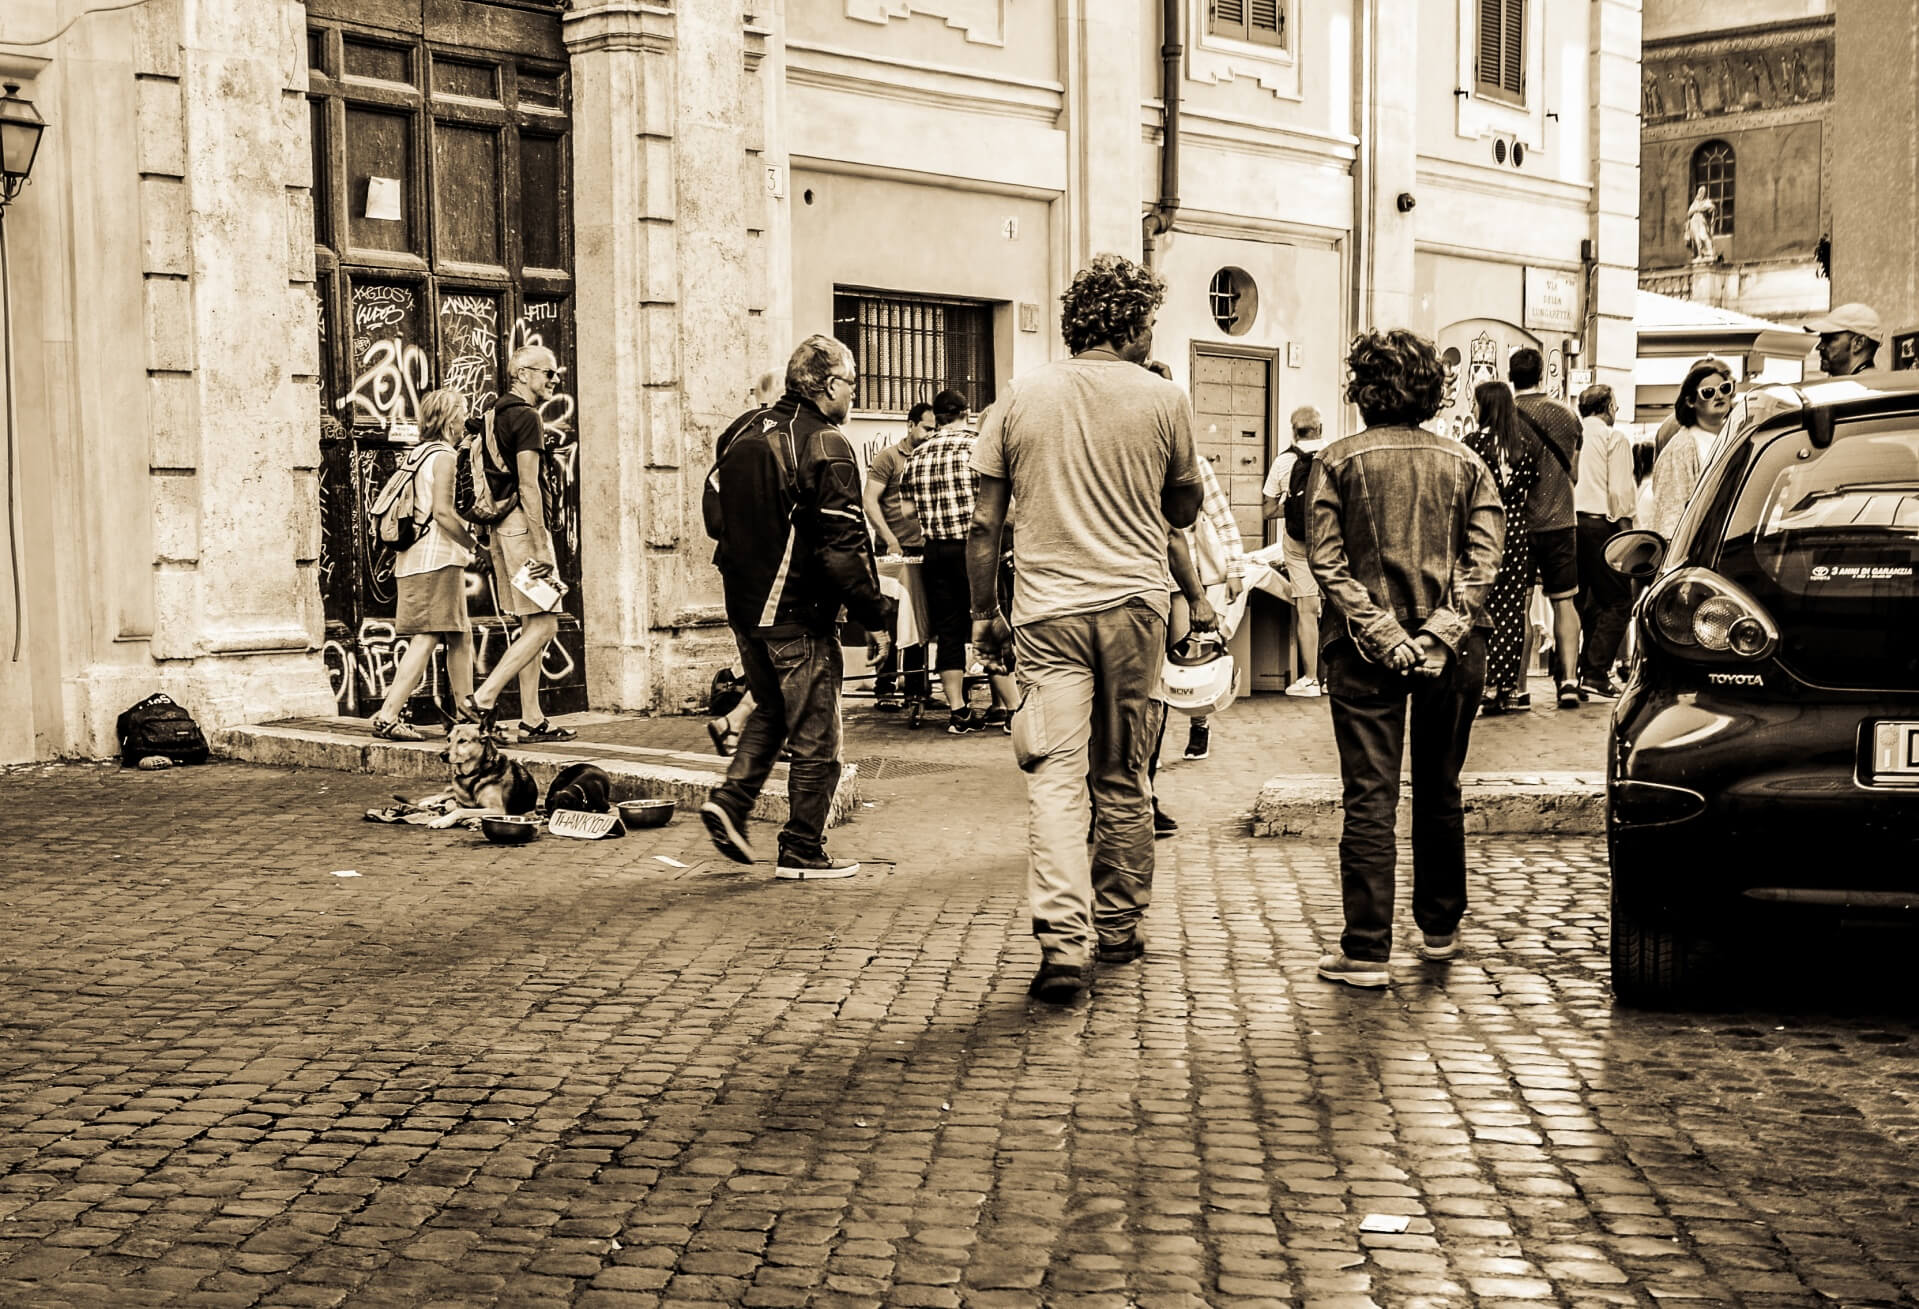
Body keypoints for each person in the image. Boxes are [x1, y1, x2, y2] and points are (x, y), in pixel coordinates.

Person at [967, 253, 1204, 1004]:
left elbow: (983, 524)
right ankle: (1121, 926)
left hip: (1044, 613)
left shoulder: (1018, 398)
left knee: (1054, 778)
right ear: (1133, 323)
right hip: (1134, 607)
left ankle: (1061, 948)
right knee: (1124, 773)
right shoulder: (1163, 398)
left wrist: (984, 614)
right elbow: (1184, 510)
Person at [1310, 329, 1504, 989]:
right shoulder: (1467, 463)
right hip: (1451, 650)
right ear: (1430, 389)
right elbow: (1483, 563)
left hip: (1364, 650)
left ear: (1362, 392)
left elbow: (1328, 565)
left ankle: (1365, 948)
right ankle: (1438, 927)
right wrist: (1439, 632)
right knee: (1438, 786)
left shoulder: (1334, 461)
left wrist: (1383, 630)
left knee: (1369, 794)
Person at [699, 335, 894, 879]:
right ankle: (802, 848)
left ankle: (733, 801)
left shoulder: (738, 431)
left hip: (743, 605)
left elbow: (714, 519)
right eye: (853, 384)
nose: (854, 395)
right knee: (817, 735)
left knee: (773, 709)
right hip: (795, 610)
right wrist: (874, 617)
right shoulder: (826, 443)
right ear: (831, 385)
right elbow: (844, 545)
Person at [462, 344, 574, 742]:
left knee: (531, 621)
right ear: (523, 373)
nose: (554, 381)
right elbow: (528, 484)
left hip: (502, 528)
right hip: (524, 529)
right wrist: (542, 543)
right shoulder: (527, 417)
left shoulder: (494, 413)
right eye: (548, 373)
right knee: (546, 623)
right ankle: (485, 697)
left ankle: (532, 716)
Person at [901, 391, 1019, 734]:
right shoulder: (978, 446)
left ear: (936, 417)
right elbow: (1001, 505)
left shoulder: (917, 453)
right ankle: (1013, 709)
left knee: (949, 631)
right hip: (976, 549)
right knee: (991, 622)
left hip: (935, 550)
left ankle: (959, 712)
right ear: (967, 413)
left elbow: (908, 512)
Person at [370, 389, 477, 740]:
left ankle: (467, 716)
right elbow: (444, 513)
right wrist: (474, 545)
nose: (465, 421)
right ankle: (388, 714)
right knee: (428, 636)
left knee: (459, 635)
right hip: (437, 559)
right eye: (462, 414)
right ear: (449, 420)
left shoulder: (418, 453)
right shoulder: (444, 456)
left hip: (413, 558)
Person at [1509, 348, 1584, 711]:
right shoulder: (1568, 415)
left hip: (1519, 524)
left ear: (1511, 376)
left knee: (1518, 605)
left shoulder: (1507, 417)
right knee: (1564, 601)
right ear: (1542, 374)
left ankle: (1519, 685)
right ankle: (1569, 679)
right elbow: (1575, 471)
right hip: (1561, 520)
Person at [1461, 381, 1539, 717]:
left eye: (1476, 404)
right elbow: (1532, 483)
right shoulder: (1523, 445)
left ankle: (1484, 681)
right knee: (1511, 609)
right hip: (1516, 527)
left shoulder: (1473, 444)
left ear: (1486, 406)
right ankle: (1506, 685)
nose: (1473, 409)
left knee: (1479, 603)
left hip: (1483, 526)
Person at [861, 401, 935, 713]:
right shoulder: (888, 457)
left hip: (923, 550)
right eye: (926, 428)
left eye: (935, 429)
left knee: (920, 621)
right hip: (892, 553)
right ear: (910, 425)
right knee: (889, 618)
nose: (931, 434)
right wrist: (889, 538)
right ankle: (885, 687)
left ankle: (917, 689)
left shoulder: (931, 457)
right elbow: (869, 500)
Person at [1572, 384, 1637, 700]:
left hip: (1570, 525)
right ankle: (1596, 672)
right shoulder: (1614, 438)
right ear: (1609, 406)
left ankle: (1570, 674)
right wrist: (1627, 531)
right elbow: (1619, 492)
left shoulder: (1573, 433)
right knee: (1619, 599)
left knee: (1580, 599)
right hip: (1601, 525)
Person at [1260, 405, 1328, 698]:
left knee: (1306, 609)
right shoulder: (1335, 454)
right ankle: (1333, 679)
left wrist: (1290, 507)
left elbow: (1266, 510)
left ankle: (1311, 679)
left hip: (1298, 542)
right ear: (1320, 429)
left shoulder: (1284, 462)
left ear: (1293, 431)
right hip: (1331, 540)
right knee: (1337, 606)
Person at [1647, 358, 1735, 540]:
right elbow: (1670, 515)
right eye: (1708, 392)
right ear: (1690, 401)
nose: (1719, 396)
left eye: (1725, 388)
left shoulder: (1736, 436)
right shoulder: (1680, 449)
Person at [1806, 302, 1882, 377]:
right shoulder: (1876, 384)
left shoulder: (1860, 387)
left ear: (1859, 343)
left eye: (1828, 339)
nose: (1819, 347)